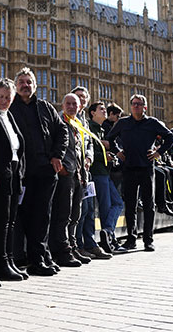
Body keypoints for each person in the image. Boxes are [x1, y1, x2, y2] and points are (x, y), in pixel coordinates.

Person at [9, 67, 68, 276]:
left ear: (35, 85)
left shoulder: (46, 107)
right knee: (21, 217)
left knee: (42, 216)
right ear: (16, 86)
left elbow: (62, 132)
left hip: (45, 171)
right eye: (22, 82)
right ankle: (24, 258)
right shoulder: (9, 107)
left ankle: (39, 258)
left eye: (29, 82)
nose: (25, 85)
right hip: (20, 173)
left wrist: (57, 155)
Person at [107, 95, 173, 251]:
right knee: (130, 205)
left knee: (149, 204)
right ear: (131, 106)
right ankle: (131, 239)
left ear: (145, 107)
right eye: (134, 104)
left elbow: (169, 137)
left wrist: (159, 152)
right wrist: (117, 151)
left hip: (146, 168)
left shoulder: (152, 123)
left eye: (139, 104)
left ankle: (148, 240)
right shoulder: (123, 123)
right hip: (129, 168)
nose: (136, 106)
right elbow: (110, 138)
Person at [0, 79, 27, 281]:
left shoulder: (9, 116)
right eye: (0, 96)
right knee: (0, 221)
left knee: (10, 221)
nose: (4, 100)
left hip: (14, 175)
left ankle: (9, 261)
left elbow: (18, 148)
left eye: (8, 97)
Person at [52, 93, 91, 267]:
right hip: (66, 174)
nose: (71, 107)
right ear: (62, 105)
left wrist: (86, 164)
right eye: (68, 103)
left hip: (79, 174)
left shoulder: (79, 124)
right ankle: (62, 250)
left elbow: (84, 146)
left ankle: (73, 247)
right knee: (64, 214)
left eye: (74, 104)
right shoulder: (59, 121)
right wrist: (62, 169)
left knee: (76, 214)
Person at [83, 101, 121, 257]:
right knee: (103, 209)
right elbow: (88, 152)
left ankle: (107, 232)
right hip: (97, 173)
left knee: (118, 202)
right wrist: (104, 155)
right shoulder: (90, 128)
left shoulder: (100, 129)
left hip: (105, 172)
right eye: (102, 109)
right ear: (92, 112)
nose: (105, 111)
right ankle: (106, 239)